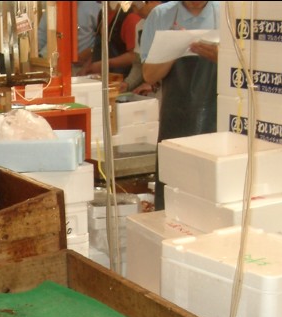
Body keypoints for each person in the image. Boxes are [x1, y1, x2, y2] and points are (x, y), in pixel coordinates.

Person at [140, 0, 219, 209]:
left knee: (210, 188)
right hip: (174, 117)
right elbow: (149, 75)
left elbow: (244, 68)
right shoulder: (160, 15)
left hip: (215, 119)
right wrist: (175, 50)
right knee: (172, 183)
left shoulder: (228, 13)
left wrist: (220, 56)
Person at [80, 1, 143, 77]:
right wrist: (86, 67)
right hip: (102, 79)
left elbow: (134, 56)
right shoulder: (102, 13)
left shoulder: (130, 17)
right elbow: (100, 48)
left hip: (123, 81)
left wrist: (105, 64)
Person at [38, 1, 101, 71]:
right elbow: (41, 38)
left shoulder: (93, 6)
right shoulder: (52, 7)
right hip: (55, 68)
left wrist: (91, 52)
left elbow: (103, 40)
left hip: (82, 69)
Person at [121, 0, 163, 94]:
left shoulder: (173, 21)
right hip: (155, 94)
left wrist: (156, 83)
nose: (135, 12)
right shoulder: (140, 26)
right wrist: (128, 83)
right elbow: (138, 64)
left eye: (136, 6)